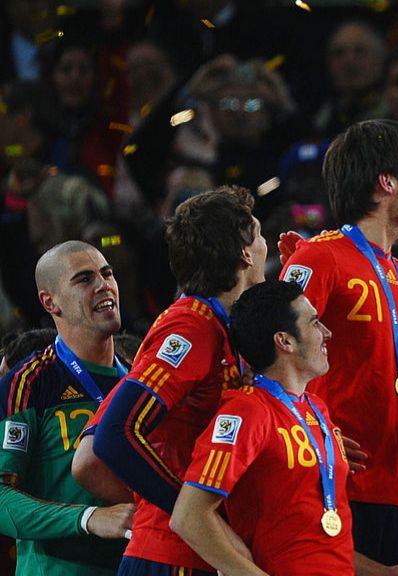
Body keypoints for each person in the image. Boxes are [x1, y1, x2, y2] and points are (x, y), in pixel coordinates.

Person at [170, 280, 398, 576]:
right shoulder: (247, 411)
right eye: (315, 323)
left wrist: (386, 573)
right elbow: (188, 515)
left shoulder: (316, 410)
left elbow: (317, 543)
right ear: (285, 341)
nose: (327, 333)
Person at [75, 186, 267, 575]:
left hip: (198, 554)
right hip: (172, 557)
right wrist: (193, 514)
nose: (266, 246)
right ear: (245, 254)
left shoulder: (222, 328)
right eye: (260, 236)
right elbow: (113, 436)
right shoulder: (191, 327)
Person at [280, 119, 398, 566]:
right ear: (387, 182)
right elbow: (269, 357)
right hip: (340, 488)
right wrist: (313, 434)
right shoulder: (319, 255)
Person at [0, 241, 135, 575]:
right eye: (84, 279)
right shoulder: (28, 384)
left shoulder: (139, 375)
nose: (104, 285)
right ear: (50, 302)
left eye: (107, 273)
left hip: (135, 564)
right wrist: (88, 519)